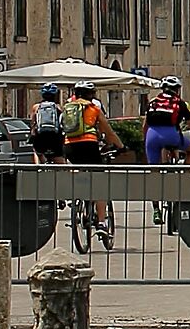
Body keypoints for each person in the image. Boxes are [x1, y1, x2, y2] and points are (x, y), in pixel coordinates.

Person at [59, 81, 124, 246]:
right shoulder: (93, 109)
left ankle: (77, 197)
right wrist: (120, 146)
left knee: (78, 170)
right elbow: (108, 132)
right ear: (92, 94)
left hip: (69, 147)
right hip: (88, 145)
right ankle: (101, 222)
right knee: (99, 183)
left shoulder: (67, 108)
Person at [143, 76, 190, 165]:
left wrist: (146, 140)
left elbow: (145, 125)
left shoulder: (153, 102)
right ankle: (185, 176)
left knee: (153, 167)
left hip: (152, 135)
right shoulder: (180, 102)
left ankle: (155, 177)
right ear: (177, 90)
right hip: (171, 135)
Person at [29, 83, 66, 161]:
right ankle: (63, 170)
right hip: (55, 136)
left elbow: (33, 122)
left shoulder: (36, 107)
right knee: (58, 156)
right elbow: (63, 122)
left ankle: (38, 168)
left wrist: (32, 133)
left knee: (37, 152)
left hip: (40, 136)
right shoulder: (58, 107)